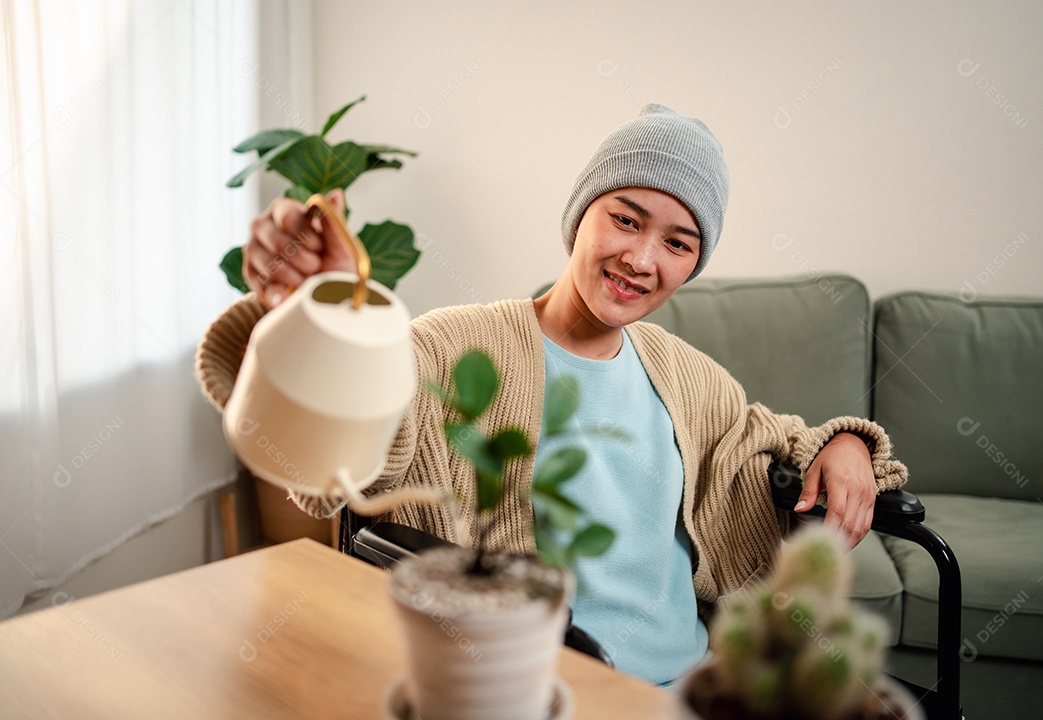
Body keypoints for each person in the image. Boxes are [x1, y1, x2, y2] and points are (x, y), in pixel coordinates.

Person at [199, 104, 906, 686]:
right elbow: (357, 435)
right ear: (581, 215)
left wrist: (845, 443)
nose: (642, 259)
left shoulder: (687, 376)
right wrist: (311, 317)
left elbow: (773, 439)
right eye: (626, 220)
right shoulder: (458, 347)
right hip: (538, 689)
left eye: (678, 243)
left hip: (696, 687)